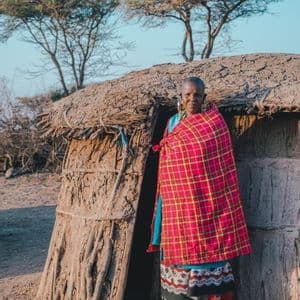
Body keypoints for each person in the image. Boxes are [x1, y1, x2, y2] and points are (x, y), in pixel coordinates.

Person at [146, 77, 252, 300]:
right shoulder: (173, 123)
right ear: (181, 98)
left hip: (207, 205)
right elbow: (169, 162)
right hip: (177, 204)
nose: (192, 99)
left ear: (204, 97)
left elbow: (220, 169)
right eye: (188, 95)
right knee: (178, 266)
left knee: (209, 266)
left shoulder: (214, 124)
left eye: (197, 95)